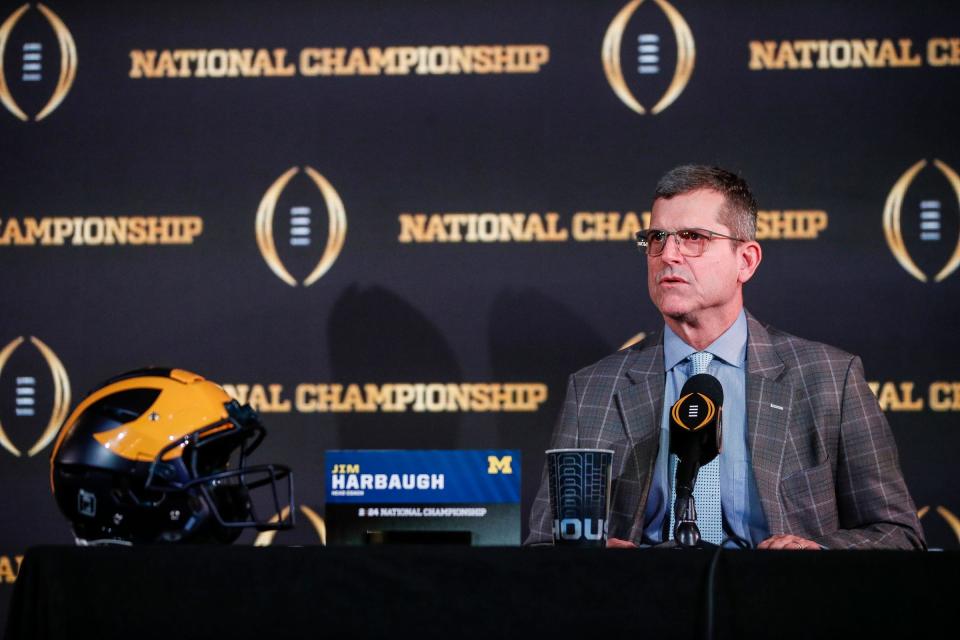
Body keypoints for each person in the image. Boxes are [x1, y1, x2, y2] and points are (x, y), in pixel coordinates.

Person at [526, 165, 925, 550]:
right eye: (657, 237)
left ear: (746, 260)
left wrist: (814, 553)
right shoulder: (594, 389)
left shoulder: (829, 379)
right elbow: (546, 543)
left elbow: (897, 534)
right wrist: (591, 556)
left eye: (692, 237)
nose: (668, 255)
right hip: (645, 604)